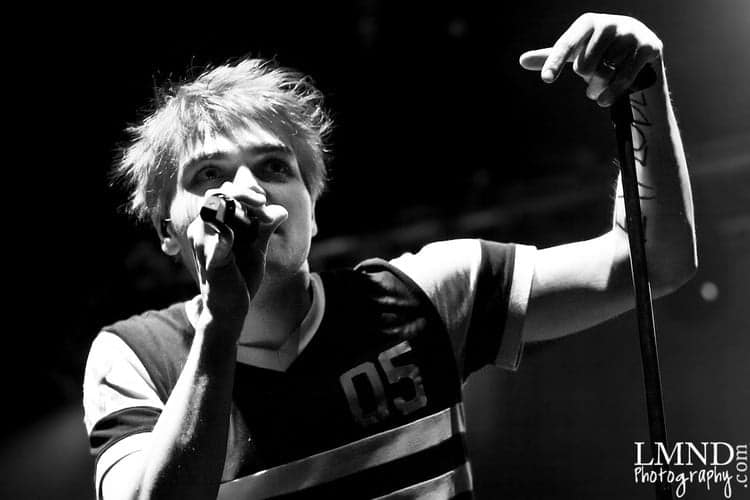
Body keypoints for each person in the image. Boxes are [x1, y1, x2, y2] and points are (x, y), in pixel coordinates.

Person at [82, 12, 697, 500]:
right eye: (209, 174)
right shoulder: (135, 356)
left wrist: (642, 85)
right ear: (167, 230)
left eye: (274, 167)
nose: (247, 190)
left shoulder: (427, 293)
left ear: (313, 209)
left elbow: (653, 262)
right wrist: (224, 317)